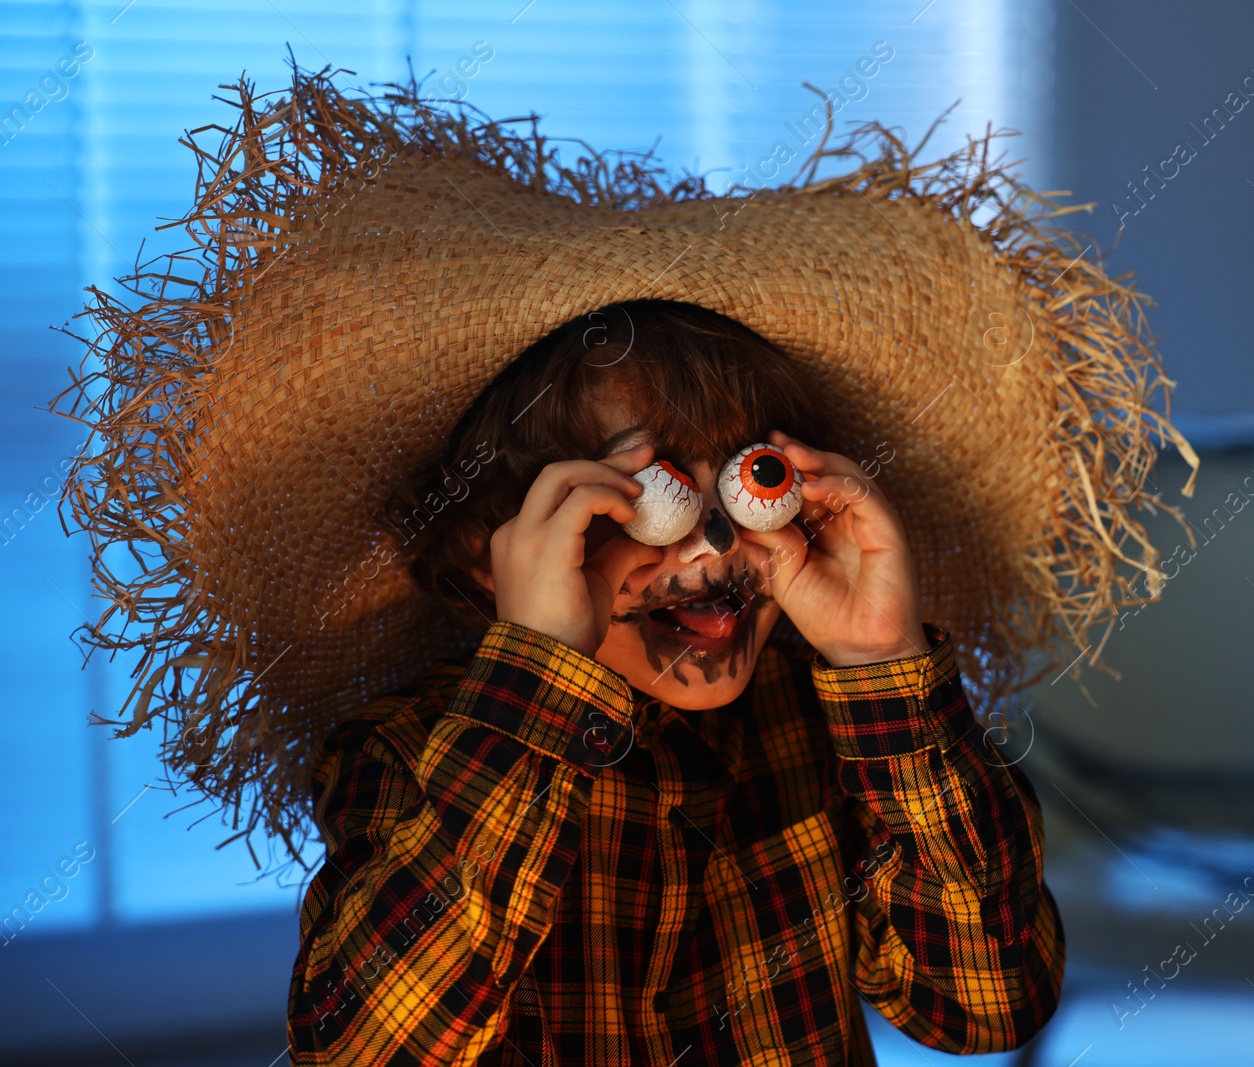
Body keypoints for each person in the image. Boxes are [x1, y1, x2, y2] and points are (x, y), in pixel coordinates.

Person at [52, 65, 1193, 1067]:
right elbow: (367, 1044)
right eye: (637, 501)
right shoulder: (410, 753)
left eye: (742, 484)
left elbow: (986, 1006)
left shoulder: (822, 726)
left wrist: (880, 663)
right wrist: (539, 676)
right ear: (487, 555)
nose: (704, 550)